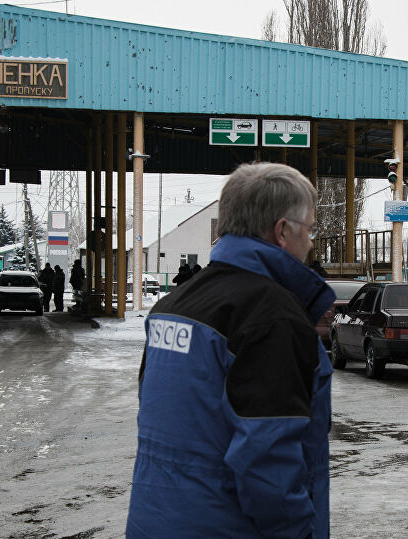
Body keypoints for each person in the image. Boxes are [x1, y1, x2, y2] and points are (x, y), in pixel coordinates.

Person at [126, 162, 335, 538]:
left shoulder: (174, 306)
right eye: (311, 229)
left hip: (154, 520)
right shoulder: (271, 317)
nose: (312, 241)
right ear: (283, 231)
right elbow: (267, 460)